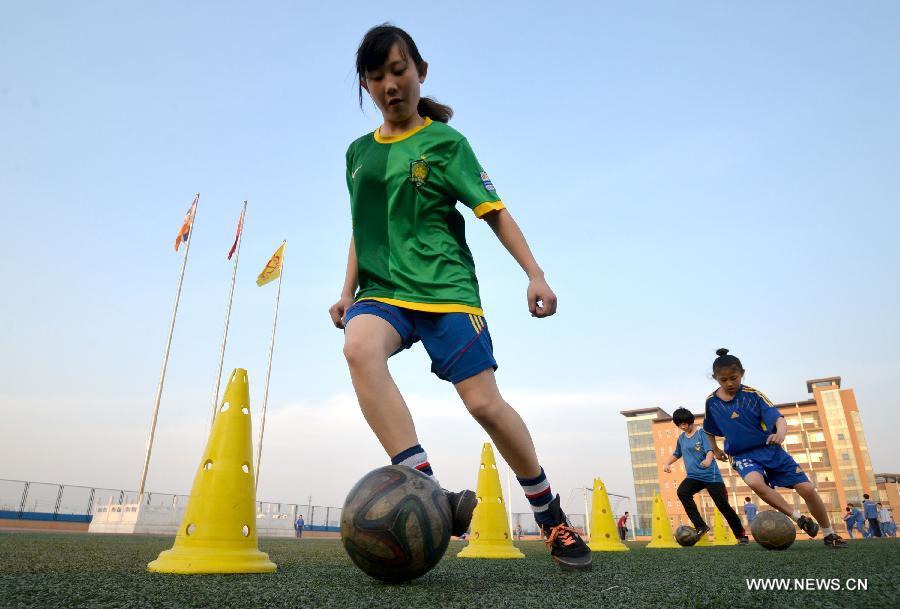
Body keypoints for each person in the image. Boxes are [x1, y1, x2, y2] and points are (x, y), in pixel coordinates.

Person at [328, 24, 591, 572]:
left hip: (447, 292)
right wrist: (347, 291)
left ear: (420, 71)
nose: (389, 85)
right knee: (358, 348)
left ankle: (550, 516)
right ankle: (427, 490)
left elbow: (495, 213)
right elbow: (362, 226)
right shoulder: (357, 154)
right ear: (365, 85)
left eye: (398, 71)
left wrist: (535, 274)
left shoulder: (448, 144)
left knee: (484, 405)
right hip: (383, 292)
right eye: (375, 77)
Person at [703, 349, 847, 548]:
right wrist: (715, 449)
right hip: (741, 454)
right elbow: (708, 429)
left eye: (733, 378)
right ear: (715, 378)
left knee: (806, 489)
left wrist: (781, 433)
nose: (729, 383)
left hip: (770, 449)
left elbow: (778, 418)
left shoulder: (753, 396)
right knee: (754, 481)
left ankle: (829, 533)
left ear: (742, 373)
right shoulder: (711, 403)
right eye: (723, 380)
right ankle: (799, 518)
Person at [662, 408, 748, 544]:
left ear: (691, 421)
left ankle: (741, 535)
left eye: (685, 423)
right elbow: (677, 454)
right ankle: (701, 526)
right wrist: (667, 463)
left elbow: (710, 450)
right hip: (693, 477)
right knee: (683, 492)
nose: (683, 427)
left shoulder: (701, 433)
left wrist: (708, 460)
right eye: (680, 425)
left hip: (711, 476)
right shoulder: (681, 438)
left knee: (723, 506)